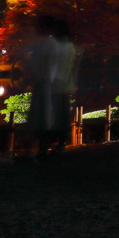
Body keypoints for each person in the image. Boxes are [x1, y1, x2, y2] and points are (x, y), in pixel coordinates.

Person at [26, 14, 59, 158]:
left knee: (40, 113)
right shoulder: (52, 44)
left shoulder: (40, 45)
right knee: (45, 113)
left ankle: (40, 145)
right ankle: (43, 145)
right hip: (47, 82)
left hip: (41, 82)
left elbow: (34, 65)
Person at [50, 18, 80, 153]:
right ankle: (61, 142)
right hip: (65, 83)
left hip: (55, 83)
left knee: (55, 113)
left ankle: (55, 141)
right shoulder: (69, 46)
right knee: (63, 113)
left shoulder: (57, 46)